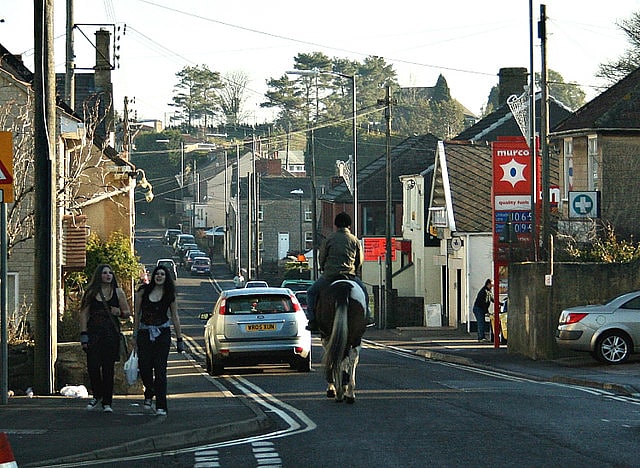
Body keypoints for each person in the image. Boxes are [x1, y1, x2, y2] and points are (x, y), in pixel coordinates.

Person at [133, 264, 185, 416]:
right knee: (145, 368)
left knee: (160, 370)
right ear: (153, 276)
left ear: (166, 277)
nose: (159, 276)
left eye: (162, 274)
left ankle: (161, 406)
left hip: (162, 334)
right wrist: (134, 336)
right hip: (144, 333)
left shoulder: (169, 295)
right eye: (157, 274)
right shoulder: (143, 291)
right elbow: (137, 314)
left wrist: (180, 338)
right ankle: (149, 391)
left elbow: (175, 316)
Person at [306, 212, 370, 332]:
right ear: (349, 226)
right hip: (349, 276)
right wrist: (355, 270)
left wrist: (323, 268)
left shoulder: (329, 239)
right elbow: (360, 260)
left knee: (311, 293)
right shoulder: (354, 240)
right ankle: (368, 316)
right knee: (364, 292)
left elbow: (322, 257)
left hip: (330, 276)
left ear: (336, 225)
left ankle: (312, 320)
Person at [79, 264, 131, 413]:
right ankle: (97, 395)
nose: (108, 275)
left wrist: (119, 312)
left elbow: (127, 312)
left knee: (108, 369)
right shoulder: (91, 292)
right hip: (94, 334)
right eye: (104, 273)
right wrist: (84, 334)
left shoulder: (118, 292)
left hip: (110, 334)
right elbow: (84, 314)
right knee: (93, 367)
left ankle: (107, 402)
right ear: (99, 275)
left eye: (110, 273)